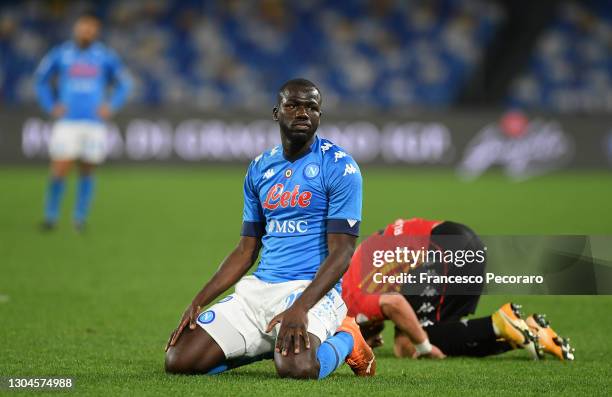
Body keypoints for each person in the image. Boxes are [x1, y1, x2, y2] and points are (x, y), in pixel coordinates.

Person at [164, 79, 376, 379]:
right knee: (179, 360)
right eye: (293, 105)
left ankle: (348, 338)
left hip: (312, 291)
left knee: (296, 368)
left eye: (311, 107)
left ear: (319, 116)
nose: (303, 113)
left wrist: (301, 308)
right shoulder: (260, 168)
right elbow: (245, 250)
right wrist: (198, 300)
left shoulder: (340, 167)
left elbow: (342, 252)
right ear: (277, 113)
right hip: (260, 290)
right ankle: (267, 345)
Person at [343, 217, 575, 361]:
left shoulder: (350, 299)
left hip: (442, 250)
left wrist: (422, 345)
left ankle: (497, 323)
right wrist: (369, 333)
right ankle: (526, 332)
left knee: (409, 344)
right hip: (462, 242)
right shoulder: (353, 273)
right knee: (445, 334)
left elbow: (393, 304)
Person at [35, 12, 131, 231]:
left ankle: (79, 218)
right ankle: (51, 217)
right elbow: (41, 80)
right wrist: (51, 105)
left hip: (93, 122)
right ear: (76, 28)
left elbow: (124, 83)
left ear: (96, 31)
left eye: (91, 28)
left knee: (87, 169)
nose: (87, 32)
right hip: (68, 121)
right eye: (84, 27)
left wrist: (111, 105)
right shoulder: (61, 54)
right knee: (59, 168)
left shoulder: (104, 56)